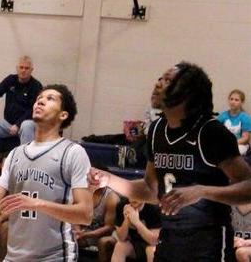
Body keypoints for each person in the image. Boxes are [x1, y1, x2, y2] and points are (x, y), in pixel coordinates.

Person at [89, 62, 251, 261]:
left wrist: (202, 191)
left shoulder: (210, 132)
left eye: (167, 80)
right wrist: (109, 179)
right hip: (169, 236)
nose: (158, 84)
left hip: (208, 239)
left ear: (188, 92)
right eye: (160, 78)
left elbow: (248, 187)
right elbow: (151, 189)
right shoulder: (157, 131)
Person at [0, 84, 94, 261]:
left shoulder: (73, 152)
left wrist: (37, 204)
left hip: (55, 256)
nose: (40, 101)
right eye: (39, 98)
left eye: (50, 99)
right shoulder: (15, 154)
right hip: (14, 256)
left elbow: (85, 214)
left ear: (63, 115)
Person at [0, 56, 42, 158]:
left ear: (31, 70)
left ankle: (25, 161)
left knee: (27, 125)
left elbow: (33, 109)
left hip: (26, 123)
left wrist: (18, 125)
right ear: (17, 68)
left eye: (27, 68)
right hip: (8, 123)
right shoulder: (10, 80)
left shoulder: (36, 86)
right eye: (21, 67)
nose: (23, 70)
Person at [76, 186, 120, 262]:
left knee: (72, 241)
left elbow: (109, 227)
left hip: (100, 234)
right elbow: (74, 216)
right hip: (82, 231)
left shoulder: (111, 197)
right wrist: (77, 231)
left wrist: (85, 235)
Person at [217, 89, 250, 155]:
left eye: (236, 100)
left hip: (240, 145)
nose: (233, 102)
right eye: (231, 99)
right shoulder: (222, 116)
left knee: (232, 152)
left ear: (242, 102)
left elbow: (245, 138)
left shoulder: (245, 117)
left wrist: (231, 143)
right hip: (225, 144)